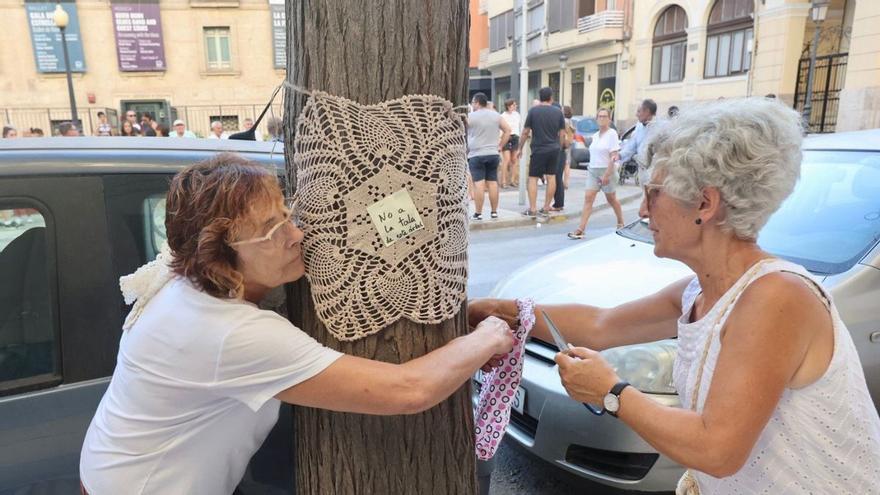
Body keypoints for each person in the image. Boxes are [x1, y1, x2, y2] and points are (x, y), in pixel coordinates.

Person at [469, 98, 880, 494]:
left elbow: (717, 450)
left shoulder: (777, 297)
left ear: (705, 202)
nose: (644, 212)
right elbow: (601, 325)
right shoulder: (702, 290)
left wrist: (611, 393)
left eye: (653, 194)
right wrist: (497, 310)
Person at [79, 154, 514, 494]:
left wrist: (457, 310)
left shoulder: (189, 277)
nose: (296, 234)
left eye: (286, 214)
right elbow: (407, 390)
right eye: (272, 230)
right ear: (220, 256)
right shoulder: (227, 331)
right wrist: (488, 337)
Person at [567, 107, 625, 239]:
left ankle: (621, 221)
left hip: (607, 170)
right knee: (588, 198)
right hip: (593, 170)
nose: (601, 119)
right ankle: (581, 229)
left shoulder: (612, 134)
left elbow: (614, 156)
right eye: (599, 116)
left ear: (609, 119)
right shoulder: (595, 136)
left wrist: (606, 175)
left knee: (611, 199)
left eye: (604, 116)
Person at [519, 87, 565, 219]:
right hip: (554, 149)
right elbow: (562, 133)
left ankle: (533, 209)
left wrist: (520, 148)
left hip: (538, 149)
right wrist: (560, 146)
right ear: (551, 98)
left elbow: (525, 132)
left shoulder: (533, 111)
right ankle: (546, 208)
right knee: (551, 177)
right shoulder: (558, 112)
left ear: (540, 98)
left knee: (533, 178)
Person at [467, 92, 511, 221]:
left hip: (476, 154)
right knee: (493, 183)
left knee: (479, 184)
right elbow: (508, 130)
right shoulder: (496, 116)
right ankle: (494, 212)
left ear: (477, 102)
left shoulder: (471, 116)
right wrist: (500, 146)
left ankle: (478, 213)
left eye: (473, 103)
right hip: (493, 153)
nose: (472, 105)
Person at [618, 99, 658, 186]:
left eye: (639, 111)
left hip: (654, 171)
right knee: (644, 194)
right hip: (642, 169)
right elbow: (632, 145)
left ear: (647, 112)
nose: (636, 114)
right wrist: (619, 155)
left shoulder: (660, 127)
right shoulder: (639, 126)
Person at [550, 106, 575, 212]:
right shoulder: (562, 122)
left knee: (557, 177)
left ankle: (558, 204)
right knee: (557, 177)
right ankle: (558, 203)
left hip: (560, 151)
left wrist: (562, 145)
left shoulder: (564, 122)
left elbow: (568, 138)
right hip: (560, 151)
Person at [500, 99, 521, 189]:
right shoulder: (503, 116)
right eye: (513, 105)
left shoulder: (517, 115)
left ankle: (513, 180)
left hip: (515, 137)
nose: (515, 106)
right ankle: (503, 181)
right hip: (506, 137)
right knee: (507, 159)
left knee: (514, 160)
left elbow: (519, 126)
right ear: (509, 106)